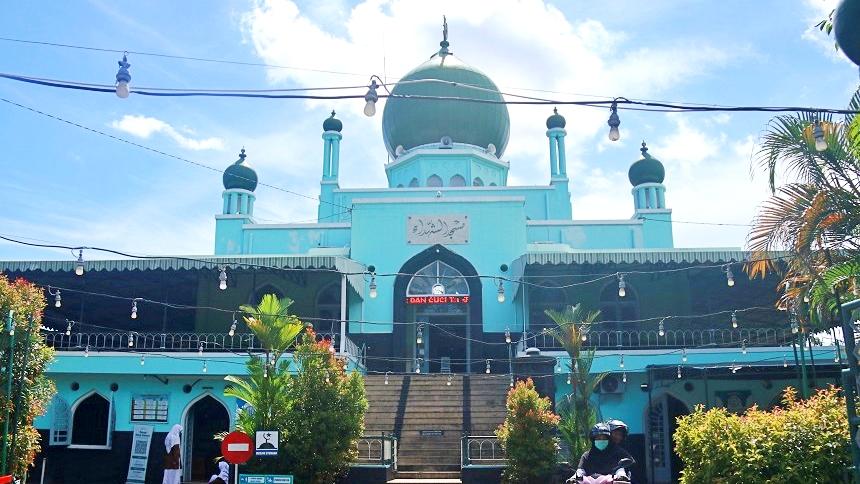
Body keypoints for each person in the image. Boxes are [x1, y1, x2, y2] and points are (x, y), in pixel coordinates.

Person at [568, 423, 635, 484]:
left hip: (611, 481)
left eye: (604, 438)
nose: (601, 440)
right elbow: (580, 470)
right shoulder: (586, 455)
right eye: (598, 438)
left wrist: (621, 476)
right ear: (593, 440)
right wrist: (573, 478)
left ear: (608, 440)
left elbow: (621, 468)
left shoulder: (617, 452)